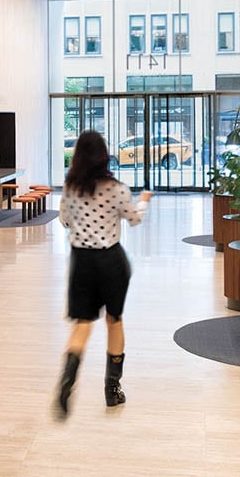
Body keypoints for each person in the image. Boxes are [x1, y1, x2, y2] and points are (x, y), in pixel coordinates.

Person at [53, 129, 151, 417]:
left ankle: (66, 382)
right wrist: (144, 199)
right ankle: (112, 390)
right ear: (103, 155)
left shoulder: (70, 188)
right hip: (111, 261)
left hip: (81, 262)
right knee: (114, 320)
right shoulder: (116, 188)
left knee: (83, 324)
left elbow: (64, 220)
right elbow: (133, 219)